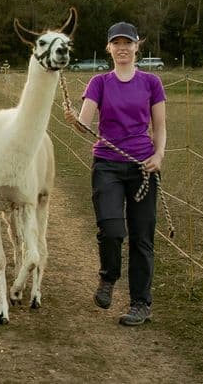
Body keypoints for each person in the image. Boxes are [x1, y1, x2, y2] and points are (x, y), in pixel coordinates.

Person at [64, 21, 167, 326]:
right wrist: (73, 120)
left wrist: (159, 155)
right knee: (112, 231)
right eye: (116, 43)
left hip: (142, 168)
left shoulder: (151, 83)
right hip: (107, 164)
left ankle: (140, 304)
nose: (122, 48)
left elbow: (159, 128)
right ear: (108, 48)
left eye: (128, 43)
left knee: (142, 238)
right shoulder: (99, 82)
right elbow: (85, 126)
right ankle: (108, 278)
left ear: (137, 46)